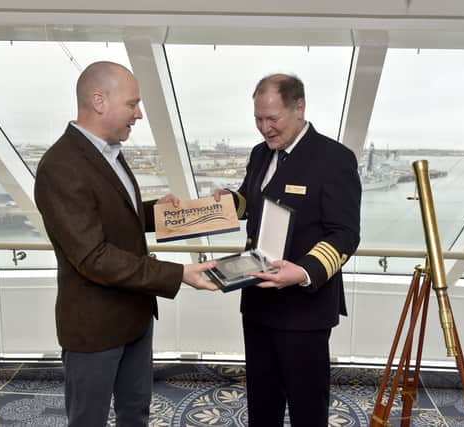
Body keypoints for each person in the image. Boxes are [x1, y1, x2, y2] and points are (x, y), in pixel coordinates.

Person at [34, 61, 218, 427]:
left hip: (134, 318)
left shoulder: (109, 153)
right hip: (95, 328)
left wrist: (151, 212)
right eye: (133, 104)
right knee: (89, 420)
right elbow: (93, 255)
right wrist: (178, 273)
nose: (140, 114)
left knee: (135, 413)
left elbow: (110, 215)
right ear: (99, 101)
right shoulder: (60, 166)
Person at [214, 74, 361, 426]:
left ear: (299, 108)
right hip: (258, 299)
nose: (265, 128)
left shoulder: (334, 159)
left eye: (272, 119)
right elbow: (253, 202)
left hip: (303, 309)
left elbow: (345, 233)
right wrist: (225, 203)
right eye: (258, 119)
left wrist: (304, 271)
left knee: (306, 406)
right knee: (262, 402)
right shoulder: (260, 154)